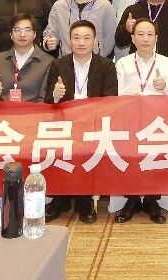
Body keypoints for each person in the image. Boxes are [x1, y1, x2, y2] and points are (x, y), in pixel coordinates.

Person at [44, 20, 118, 224]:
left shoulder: (106, 65)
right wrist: (56, 95)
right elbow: (48, 101)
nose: (81, 42)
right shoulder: (58, 64)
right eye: (76, 38)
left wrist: (88, 117)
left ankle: (84, 200)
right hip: (64, 122)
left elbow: (110, 100)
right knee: (58, 148)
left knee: (86, 149)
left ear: (95, 41)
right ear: (69, 41)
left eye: (86, 38)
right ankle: (60, 199)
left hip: (93, 123)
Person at [114, 19, 168, 217]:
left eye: (149, 35)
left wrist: (164, 87)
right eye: (140, 34)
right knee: (129, 157)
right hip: (130, 120)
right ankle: (132, 199)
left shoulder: (166, 63)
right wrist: (129, 97)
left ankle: (152, 200)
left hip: (157, 122)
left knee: (155, 156)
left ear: (156, 38)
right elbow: (115, 94)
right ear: (133, 38)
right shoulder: (123, 63)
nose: (145, 39)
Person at [0, 15, 52, 103]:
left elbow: (45, 97)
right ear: (11, 35)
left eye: (27, 30)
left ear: (35, 34)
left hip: (34, 110)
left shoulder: (48, 61)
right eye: (17, 30)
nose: (22, 34)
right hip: (4, 109)